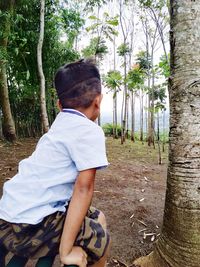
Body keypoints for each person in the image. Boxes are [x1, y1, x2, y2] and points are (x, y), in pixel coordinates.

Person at [0, 58, 110, 267]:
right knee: (101, 239)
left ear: (60, 105)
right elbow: (83, 189)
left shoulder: (60, 124)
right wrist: (66, 251)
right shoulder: (90, 131)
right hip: (30, 224)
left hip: (8, 214)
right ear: (98, 101)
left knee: (99, 216)